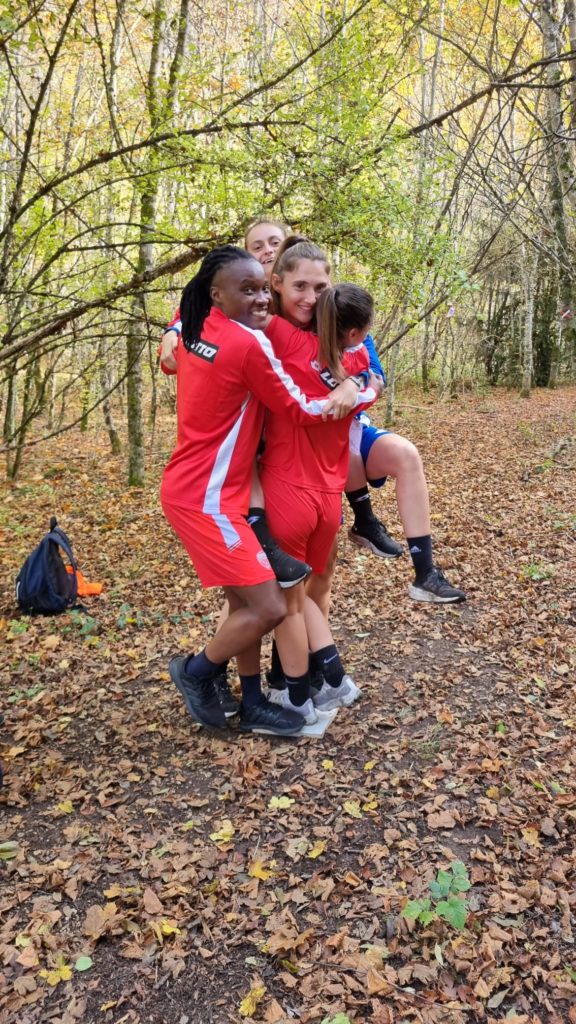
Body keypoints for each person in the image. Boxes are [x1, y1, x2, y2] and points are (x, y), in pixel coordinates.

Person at [160, 244, 371, 735]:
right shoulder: (247, 343)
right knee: (270, 605)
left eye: (262, 288)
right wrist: (355, 391)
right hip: (207, 498)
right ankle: (197, 672)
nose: (260, 299)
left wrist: (172, 331)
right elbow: (300, 405)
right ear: (216, 294)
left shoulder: (197, 327)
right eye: (248, 290)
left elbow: (174, 356)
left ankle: (253, 700)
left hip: (223, 491)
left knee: (245, 602)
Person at [268, 236, 466, 609]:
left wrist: (353, 384)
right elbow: (218, 310)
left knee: (405, 454)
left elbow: (374, 371)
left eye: (320, 287)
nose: (311, 297)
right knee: (275, 591)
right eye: (301, 286)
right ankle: (363, 516)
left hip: (345, 432)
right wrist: (176, 329)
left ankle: (424, 573)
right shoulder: (272, 328)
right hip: (294, 457)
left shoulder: (344, 320)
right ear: (277, 283)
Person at [259, 274, 382, 722]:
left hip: (288, 490)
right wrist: (356, 386)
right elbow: (374, 382)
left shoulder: (288, 339)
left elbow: (241, 313)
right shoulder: (356, 362)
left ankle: (297, 697)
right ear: (354, 332)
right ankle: (334, 682)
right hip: (330, 499)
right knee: (306, 594)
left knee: (290, 601)